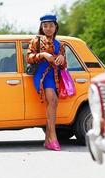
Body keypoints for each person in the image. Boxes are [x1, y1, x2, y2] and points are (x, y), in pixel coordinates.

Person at [26, 14, 66, 151]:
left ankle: (48, 140)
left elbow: (64, 65)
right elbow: (28, 57)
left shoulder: (60, 44)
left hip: (54, 76)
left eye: (51, 25)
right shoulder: (36, 41)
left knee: (53, 104)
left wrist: (61, 57)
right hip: (41, 76)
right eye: (45, 26)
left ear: (56, 27)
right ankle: (53, 138)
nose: (48, 28)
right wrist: (43, 55)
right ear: (41, 27)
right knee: (53, 101)